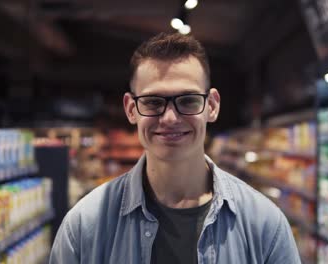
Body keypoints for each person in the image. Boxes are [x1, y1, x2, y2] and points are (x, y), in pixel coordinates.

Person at [49, 32, 301, 264]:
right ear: (131, 109)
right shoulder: (84, 225)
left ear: (211, 106)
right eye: (152, 101)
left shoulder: (264, 223)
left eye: (189, 100)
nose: (170, 118)